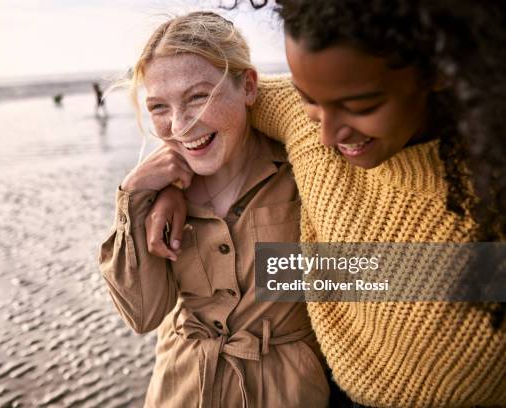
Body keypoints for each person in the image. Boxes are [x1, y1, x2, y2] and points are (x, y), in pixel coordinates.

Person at [144, 1, 506, 406]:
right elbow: (206, 114)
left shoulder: (491, 186)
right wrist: (173, 182)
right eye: (308, 100)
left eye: (361, 106)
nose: (328, 136)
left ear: (439, 72)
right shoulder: (302, 118)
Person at [99, 11, 329, 408]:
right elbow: (143, 315)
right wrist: (133, 196)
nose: (180, 124)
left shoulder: (303, 167)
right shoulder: (151, 192)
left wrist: (285, 269)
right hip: (180, 390)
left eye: (198, 96)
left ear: (249, 87)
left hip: (287, 392)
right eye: (158, 107)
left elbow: (372, 277)